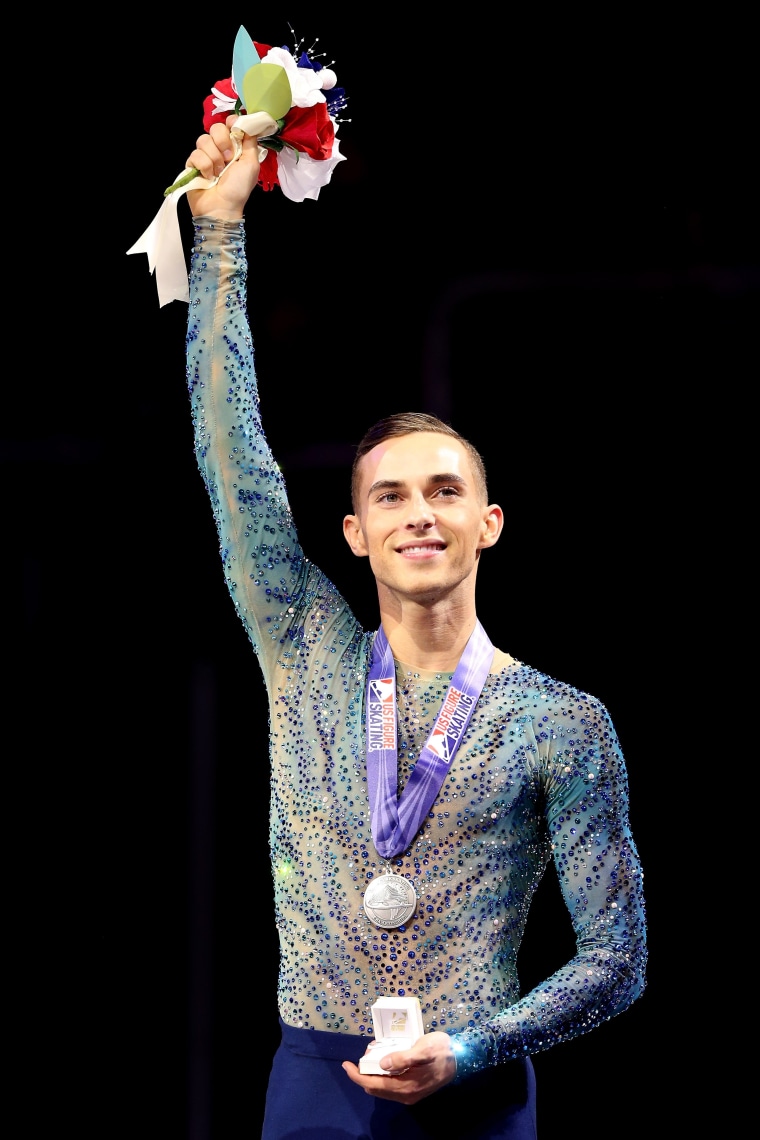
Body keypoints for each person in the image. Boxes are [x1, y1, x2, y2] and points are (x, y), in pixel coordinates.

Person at [180, 117, 647, 1139]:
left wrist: (474, 1048)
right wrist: (219, 236)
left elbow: (617, 961)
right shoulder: (307, 656)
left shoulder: (561, 722)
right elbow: (233, 459)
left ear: (489, 523)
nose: (419, 513)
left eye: (444, 491)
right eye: (390, 497)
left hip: (475, 1089)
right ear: (352, 532)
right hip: (313, 1083)